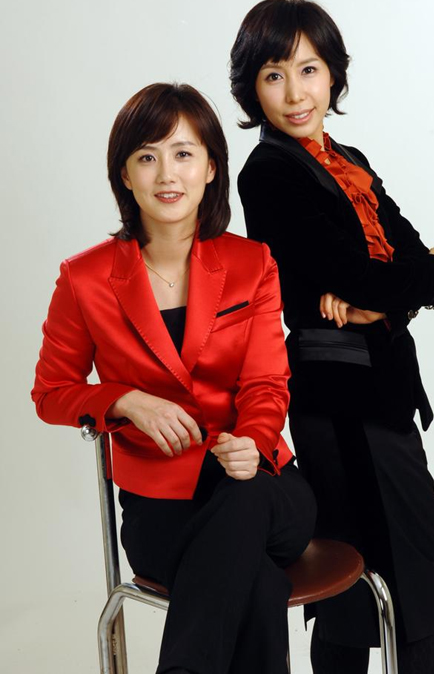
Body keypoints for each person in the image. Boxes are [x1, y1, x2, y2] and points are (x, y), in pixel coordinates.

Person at [32, 82, 316, 674]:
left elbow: (267, 383)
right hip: (161, 507)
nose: (167, 174)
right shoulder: (84, 279)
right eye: (147, 156)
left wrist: (254, 440)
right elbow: (52, 393)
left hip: (262, 484)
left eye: (184, 153)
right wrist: (125, 400)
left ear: (211, 168)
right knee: (258, 585)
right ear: (125, 174)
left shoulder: (252, 263)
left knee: (246, 500)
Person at [230, 0, 434, 674]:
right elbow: (366, 275)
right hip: (337, 398)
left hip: (382, 389)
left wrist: (389, 294)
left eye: (309, 69)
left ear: (333, 73)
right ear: (251, 88)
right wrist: (396, 284)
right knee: (371, 573)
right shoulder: (268, 172)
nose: (295, 92)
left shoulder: (348, 159)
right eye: (274, 75)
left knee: (395, 571)